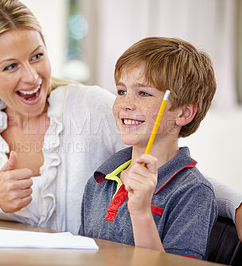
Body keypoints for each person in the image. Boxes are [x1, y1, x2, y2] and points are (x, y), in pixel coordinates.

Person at [0, 0, 242, 262]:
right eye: (11, 66)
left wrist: (238, 204)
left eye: (37, 56)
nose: (31, 77)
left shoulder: (85, 107)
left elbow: (164, 167)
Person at [79, 37, 217, 259]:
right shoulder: (100, 181)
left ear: (183, 113)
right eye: (122, 91)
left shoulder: (193, 192)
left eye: (144, 93)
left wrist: (141, 213)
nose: (125, 104)